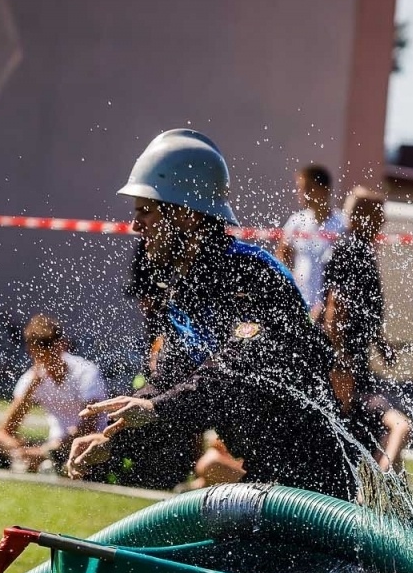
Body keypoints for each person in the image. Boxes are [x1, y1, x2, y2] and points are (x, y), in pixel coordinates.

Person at [66, 129, 356, 500]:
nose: (137, 226)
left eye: (146, 212)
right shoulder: (184, 286)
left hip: (315, 483)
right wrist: (109, 440)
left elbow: (232, 370)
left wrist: (156, 405)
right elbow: (172, 382)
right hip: (262, 473)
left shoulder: (252, 274)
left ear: (185, 215)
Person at [0, 314, 108, 472]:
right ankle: (32, 460)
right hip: (53, 444)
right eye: (41, 352)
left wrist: (45, 450)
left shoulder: (86, 372)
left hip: (86, 442)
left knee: (69, 449)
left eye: (51, 348)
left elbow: (89, 426)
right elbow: (8, 428)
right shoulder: (32, 378)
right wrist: (30, 390)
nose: (49, 358)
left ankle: (29, 461)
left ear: (63, 345)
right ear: (32, 351)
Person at [322, 186, 395, 377]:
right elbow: (336, 301)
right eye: (379, 213)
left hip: (353, 350)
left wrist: (380, 344)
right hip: (346, 352)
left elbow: (366, 309)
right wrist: (340, 356)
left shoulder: (355, 246)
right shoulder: (353, 250)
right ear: (364, 216)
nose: (383, 220)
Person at [274, 164, 344, 318]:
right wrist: (290, 291)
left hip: (328, 309)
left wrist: (328, 303)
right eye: (300, 188)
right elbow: (281, 257)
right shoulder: (296, 221)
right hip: (300, 304)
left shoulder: (341, 225)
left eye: (308, 188)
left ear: (325, 189)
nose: (302, 193)